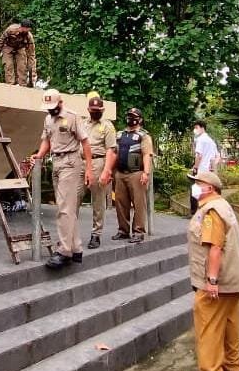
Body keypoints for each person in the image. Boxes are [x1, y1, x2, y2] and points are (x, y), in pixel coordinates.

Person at [184, 169, 239, 371]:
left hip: (219, 281)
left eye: (197, 183)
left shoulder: (211, 211)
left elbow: (215, 247)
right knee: (229, 322)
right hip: (233, 279)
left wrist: (211, 280)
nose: (194, 187)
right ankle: (232, 366)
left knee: (208, 323)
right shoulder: (222, 206)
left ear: (209, 188)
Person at [31, 89, 93, 269]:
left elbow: (85, 142)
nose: (51, 110)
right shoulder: (48, 119)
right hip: (56, 162)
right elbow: (46, 140)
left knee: (64, 209)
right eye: (48, 108)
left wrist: (89, 169)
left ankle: (64, 251)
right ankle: (76, 248)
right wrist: (39, 156)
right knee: (66, 207)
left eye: (53, 107)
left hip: (71, 162)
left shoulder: (72, 117)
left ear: (60, 102)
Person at [113, 107, 153, 243]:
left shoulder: (144, 136)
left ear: (140, 119)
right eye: (129, 116)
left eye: (134, 116)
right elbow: (114, 153)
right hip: (120, 173)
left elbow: (147, 154)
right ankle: (123, 230)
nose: (131, 118)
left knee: (138, 203)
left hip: (136, 173)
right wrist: (110, 171)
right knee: (120, 203)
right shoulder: (120, 134)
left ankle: (138, 231)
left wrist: (146, 173)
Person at [83, 93, 117, 249]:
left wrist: (107, 171)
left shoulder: (107, 126)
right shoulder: (83, 124)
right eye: (93, 109)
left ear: (102, 110)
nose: (95, 111)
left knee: (97, 201)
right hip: (81, 162)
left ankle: (96, 234)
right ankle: (68, 234)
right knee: (73, 198)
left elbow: (111, 150)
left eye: (98, 109)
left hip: (98, 162)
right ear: (88, 109)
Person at [0, 19, 38, 87]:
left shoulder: (29, 36)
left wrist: (32, 70)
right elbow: (1, 40)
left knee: (22, 66)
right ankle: (10, 85)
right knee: (8, 66)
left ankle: (23, 86)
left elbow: (31, 54)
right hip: (8, 47)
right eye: (28, 29)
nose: (29, 31)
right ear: (23, 27)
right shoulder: (10, 29)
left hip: (20, 48)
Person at [190, 120, 220, 215]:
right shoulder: (211, 141)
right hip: (209, 171)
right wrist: (212, 166)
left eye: (196, 128)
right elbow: (217, 156)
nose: (195, 130)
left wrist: (195, 167)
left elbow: (199, 155)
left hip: (201, 170)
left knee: (195, 190)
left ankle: (194, 212)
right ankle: (207, 210)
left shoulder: (201, 140)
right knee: (207, 191)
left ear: (202, 128)